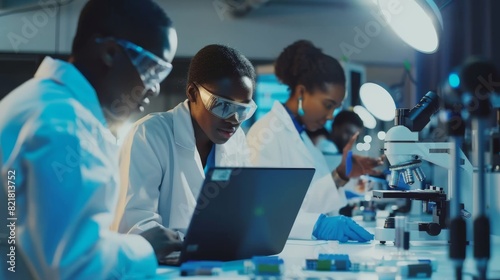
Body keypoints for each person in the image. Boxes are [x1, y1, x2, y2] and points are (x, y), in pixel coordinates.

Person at [0, 0, 180, 279]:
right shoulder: (66, 124)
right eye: (152, 70)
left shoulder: (37, 100)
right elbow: (76, 267)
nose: (154, 89)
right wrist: (144, 247)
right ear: (109, 53)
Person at [247, 40, 383, 241]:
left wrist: (342, 174)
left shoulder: (302, 138)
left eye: (335, 108)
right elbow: (261, 214)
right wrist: (315, 225)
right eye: (328, 105)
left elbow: (307, 201)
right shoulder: (265, 135)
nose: (330, 116)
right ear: (302, 92)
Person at [116, 44, 255, 235]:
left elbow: (240, 211)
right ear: (192, 93)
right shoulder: (149, 134)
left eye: (242, 110)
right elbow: (135, 224)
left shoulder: (236, 140)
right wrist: (184, 244)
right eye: (222, 106)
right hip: (162, 263)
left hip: (216, 259)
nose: (233, 120)